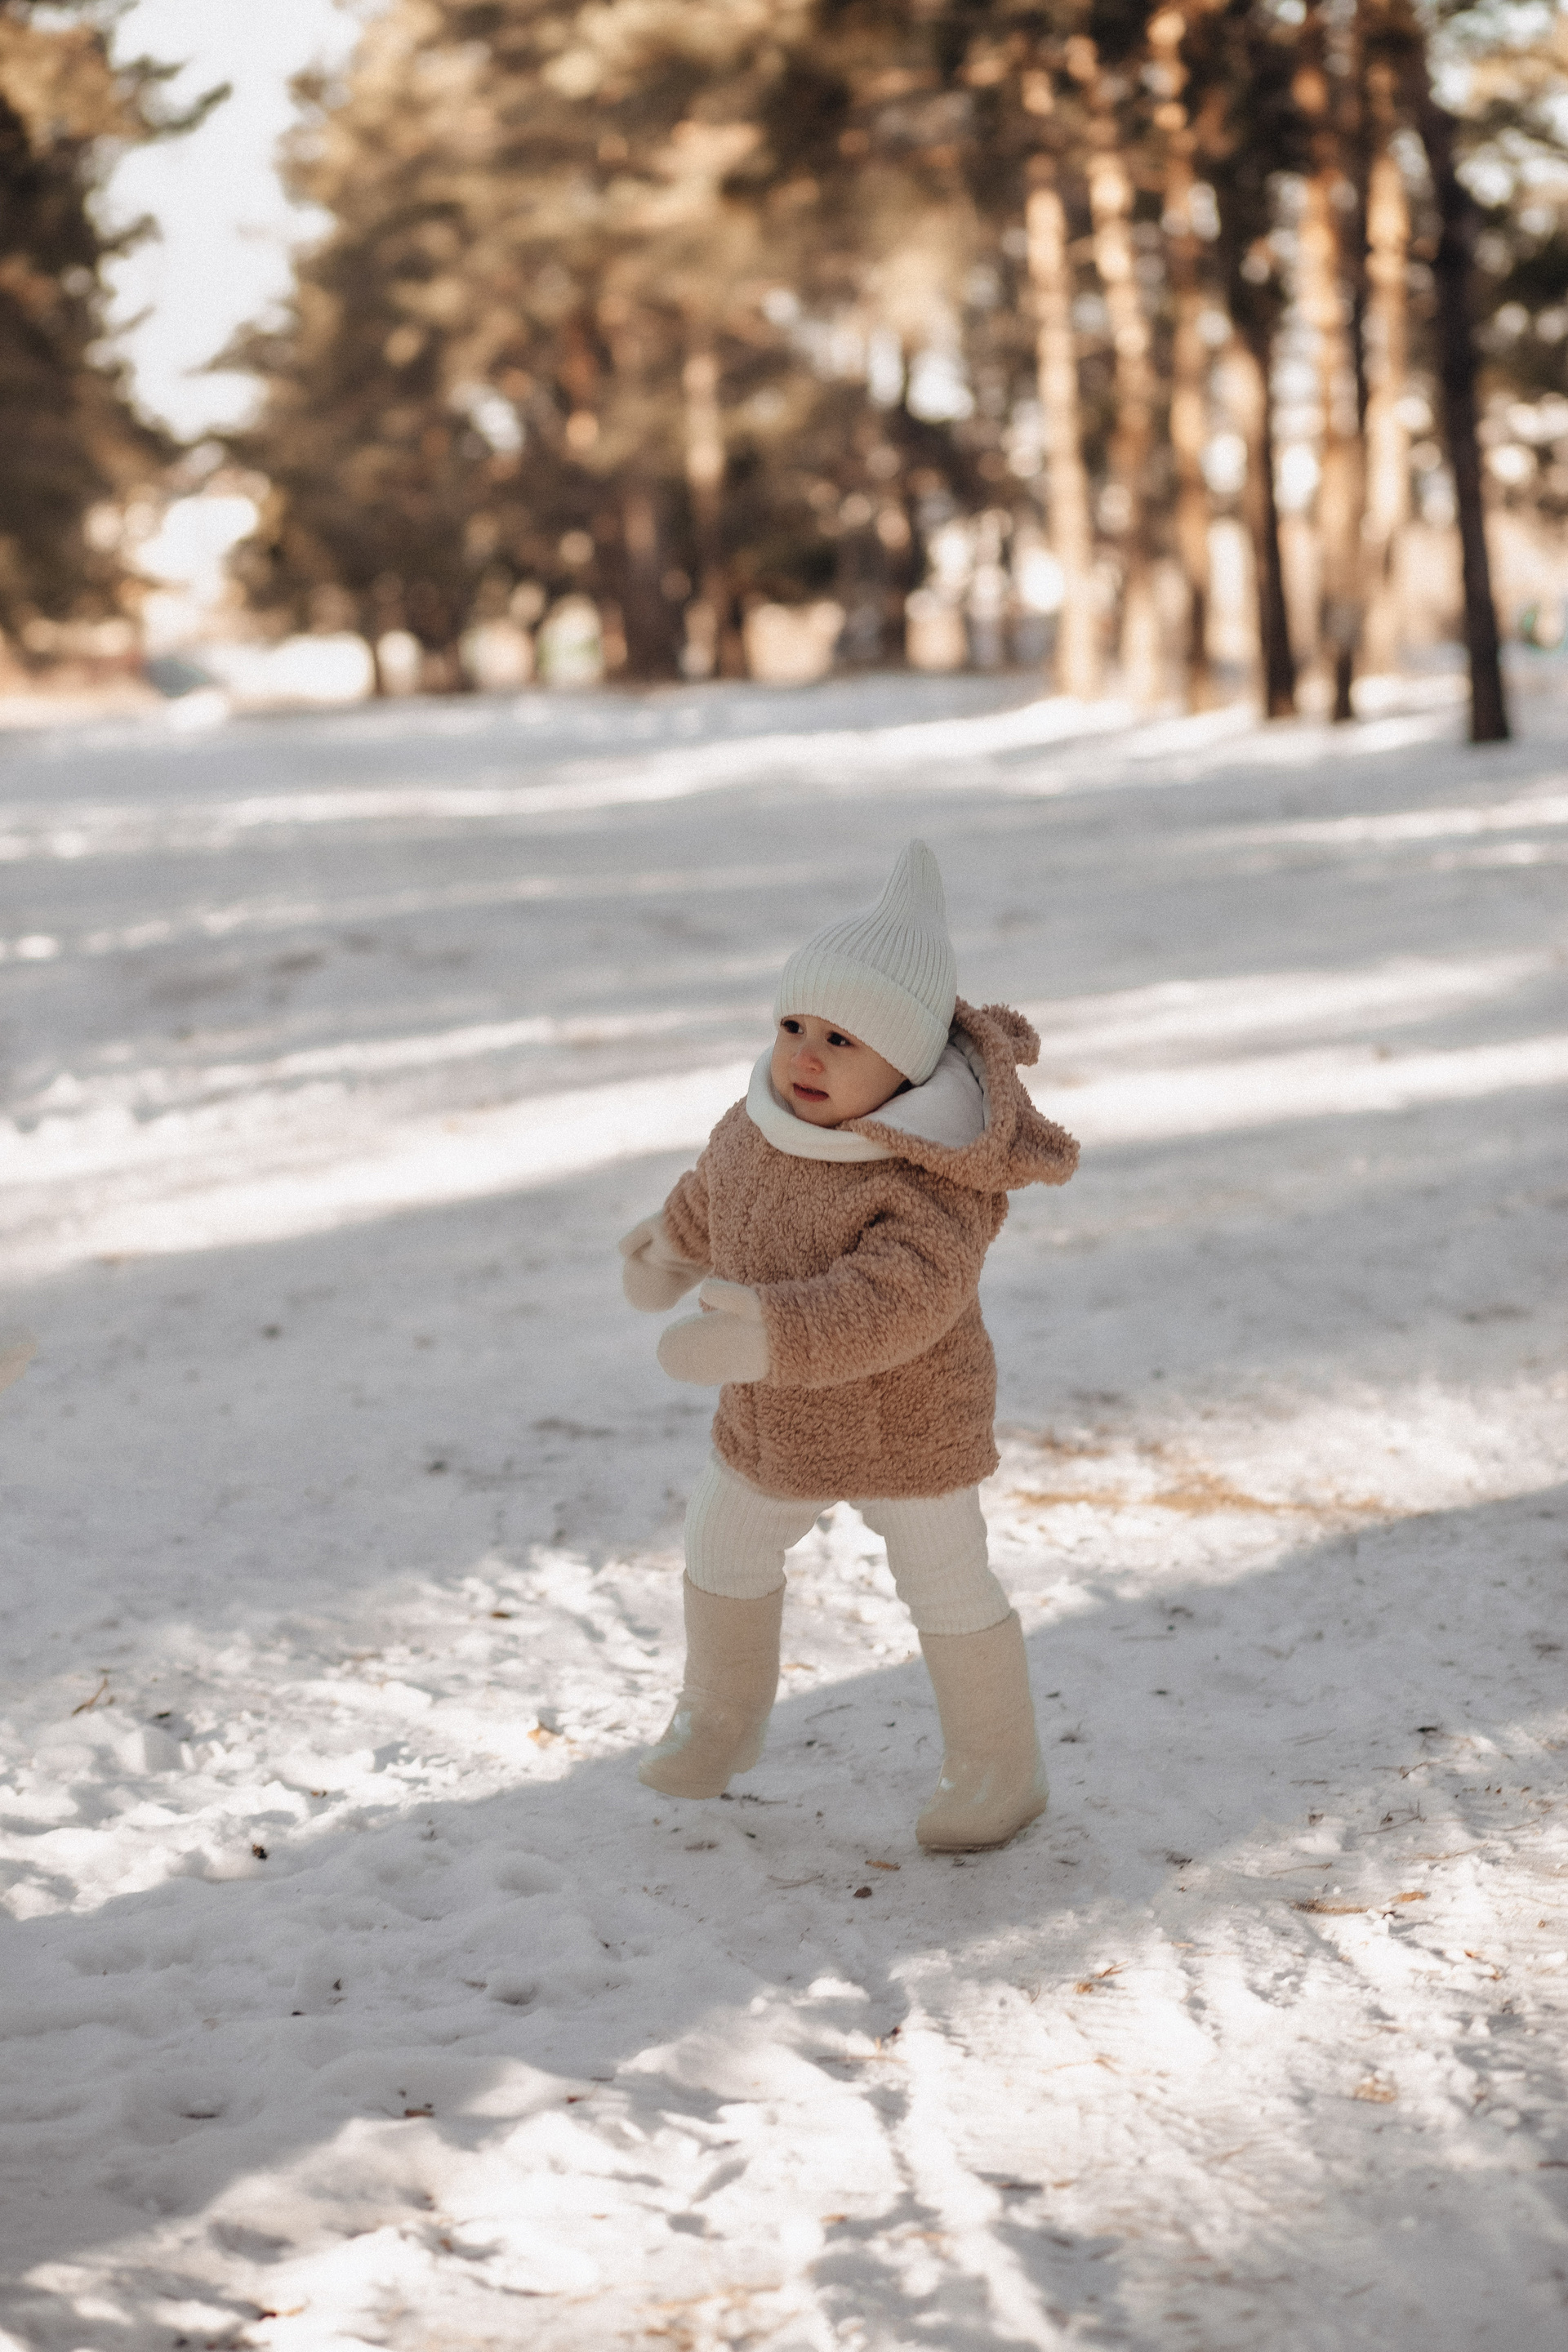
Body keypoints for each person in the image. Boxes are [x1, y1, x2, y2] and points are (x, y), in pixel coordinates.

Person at [617, 840, 1078, 1850]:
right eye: (794, 1026)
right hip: (774, 1418)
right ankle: (719, 1718)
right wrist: (669, 1246)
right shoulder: (758, 1124)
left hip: (905, 1425)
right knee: (722, 1544)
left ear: (906, 1065)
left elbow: (898, 1300)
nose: (807, 1057)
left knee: (943, 1579)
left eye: (842, 1039)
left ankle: (999, 1766)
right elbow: (716, 1194)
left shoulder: (928, 1178)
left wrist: (768, 1336)